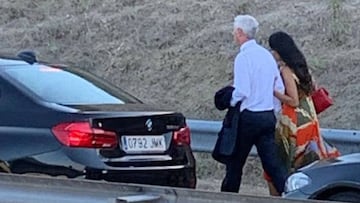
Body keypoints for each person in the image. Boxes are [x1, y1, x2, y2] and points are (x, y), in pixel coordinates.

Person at [265, 31, 340, 196]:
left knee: (282, 161)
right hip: (310, 117)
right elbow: (312, 87)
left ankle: (282, 196)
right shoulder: (302, 65)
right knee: (308, 159)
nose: (272, 53)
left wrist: (274, 92)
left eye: (273, 49)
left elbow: (293, 101)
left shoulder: (286, 69)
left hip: (294, 121)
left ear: (279, 50)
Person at [220, 15, 288, 194]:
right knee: (273, 165)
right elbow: (278, 87)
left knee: (235, 164)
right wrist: (273, 110)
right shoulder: (266, 55)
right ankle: (291, 196)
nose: (233, 35)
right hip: (267, 117)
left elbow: (242, 91)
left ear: (241, 32)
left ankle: (227, 198)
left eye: (234, 31)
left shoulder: (243, 57)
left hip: (248, 117)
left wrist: (230, 100)